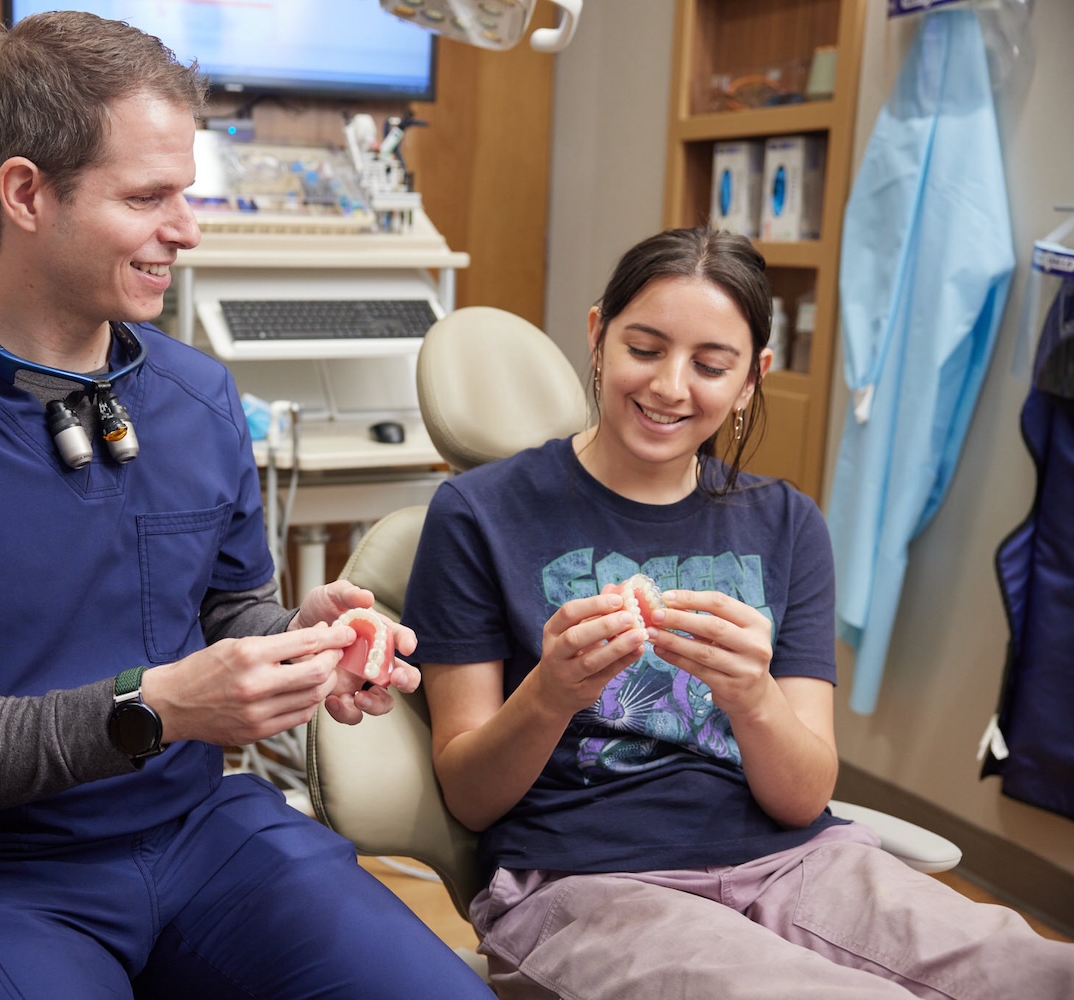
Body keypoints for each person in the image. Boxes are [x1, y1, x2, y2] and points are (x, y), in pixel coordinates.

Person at [0, 12, 492, 999]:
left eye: (186, 191)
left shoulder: (196, 398)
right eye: (148, 197)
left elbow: (228, 615)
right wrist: (156, 709)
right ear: (27, 194)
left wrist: (298, 642)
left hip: (199, 835)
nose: (185, 228)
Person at [401, 227, 1074, 998]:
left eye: (710, 365)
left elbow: (803, 793)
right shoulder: (478, 515)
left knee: (1045, 972)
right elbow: (469, 794)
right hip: (584, 878)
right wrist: (552, 693)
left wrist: (752, 696)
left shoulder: (786, 524)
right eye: (644, 349)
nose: (670, 387)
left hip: (796, 860)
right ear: (597, 336)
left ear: (751, 378)